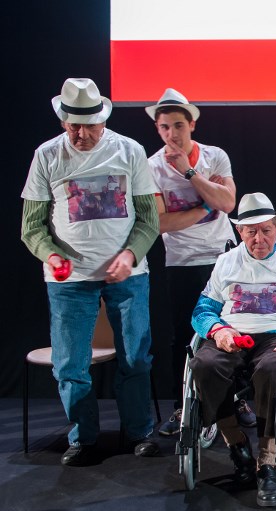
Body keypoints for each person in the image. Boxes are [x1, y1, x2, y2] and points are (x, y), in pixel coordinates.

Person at [20, 78, 160, 466]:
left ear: (102, 120)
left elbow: (149, 219)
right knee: (70, 363)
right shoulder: (47, 155)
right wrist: (50, 255)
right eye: (73, 125)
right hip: (70, 281)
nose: (81, 134)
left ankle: (139, 433)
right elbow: (31, 227)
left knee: (135, 357)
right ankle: (82, 438)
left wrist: (130, 255)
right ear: (63, 121)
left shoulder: (129, 150)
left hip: (129, 274)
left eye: (89, 125)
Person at [188, 192, 276, 507]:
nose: (259, 238)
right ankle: (237, 446)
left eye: (266, 229)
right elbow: (202, 310)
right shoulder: (226, 262)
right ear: (240, 232)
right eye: (251, 231)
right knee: (203, 365)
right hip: (232, 334)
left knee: (273, 370)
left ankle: (266, 462)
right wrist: (217, 329)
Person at [143, 88, 255, 436]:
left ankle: (237, 399)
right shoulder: (151, 167)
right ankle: (183, 406)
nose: (171, 134)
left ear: (192, 124)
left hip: (222, 256)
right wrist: (207, 205)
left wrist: (191, 174)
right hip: (181, 261)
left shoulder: (213, 156)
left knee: (234, 328)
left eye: (178, 125)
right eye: (164, 127)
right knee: (184, 335)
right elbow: (161, 222)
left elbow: (230, 202)